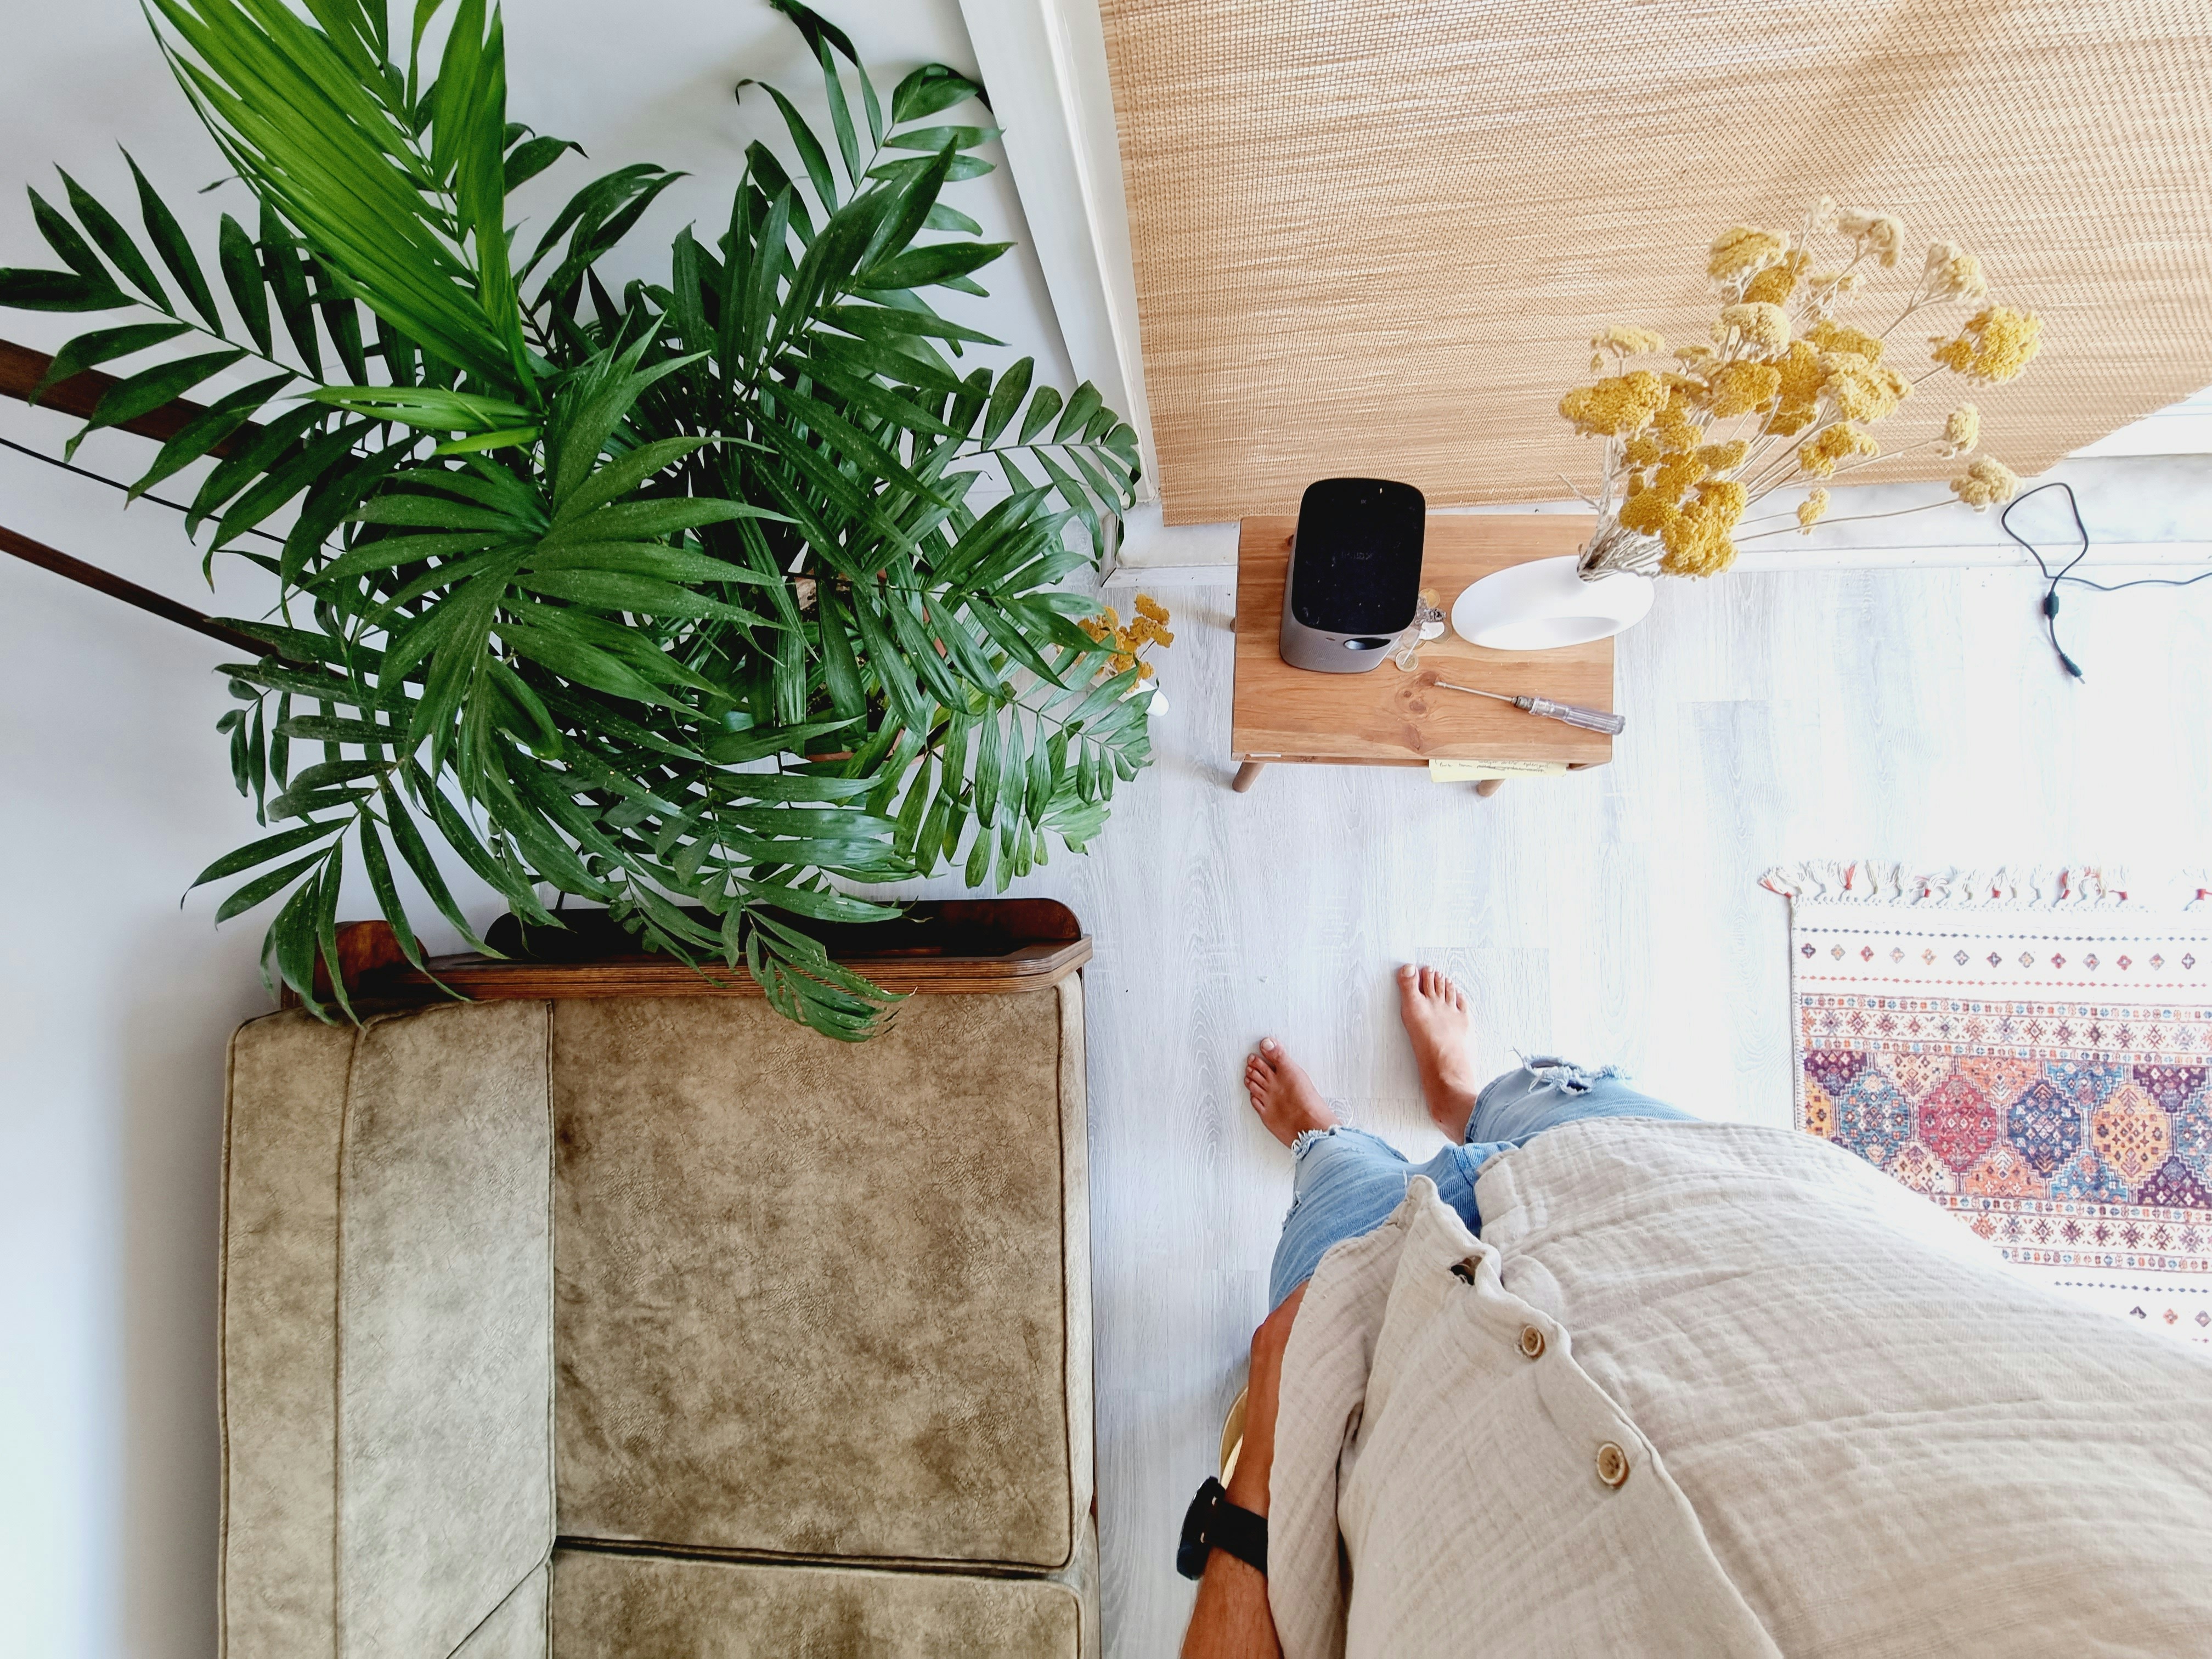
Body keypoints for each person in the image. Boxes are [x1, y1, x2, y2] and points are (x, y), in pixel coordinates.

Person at [1181, 966, 2212, 1659]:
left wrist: (1262, 1464)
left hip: (1386, 1352)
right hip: (1688, 1196)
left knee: (1341, 1181)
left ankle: (1329, 1142)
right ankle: (1465, 1100)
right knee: (1552, 1095)